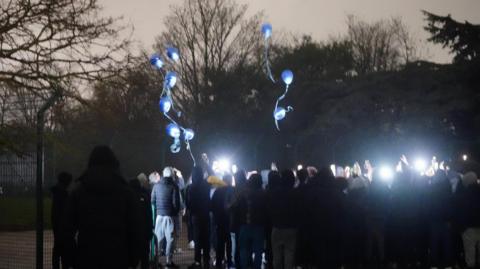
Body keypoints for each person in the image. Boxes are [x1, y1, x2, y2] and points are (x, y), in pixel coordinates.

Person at [62, 145, 142, 269]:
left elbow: (66, 231)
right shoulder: (126, 193)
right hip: (118, 257)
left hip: (86, 257)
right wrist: (132, 259)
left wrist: (72, 259)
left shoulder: (78, 193)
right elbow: (135, 229)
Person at [233, 173, 267, 269]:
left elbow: (235, 206)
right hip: (259, 225)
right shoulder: (263, 193)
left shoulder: (243, 193)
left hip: (244, 224)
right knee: (258, 250)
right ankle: (256, 266)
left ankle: (245, 266)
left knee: (244, 249)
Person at [151, 167, 181, 268]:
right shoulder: (174, 186)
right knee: (170, 240)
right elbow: (176, 204)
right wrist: (175, 213)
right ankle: (169, 262)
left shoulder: (156, 185)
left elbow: (152, 200)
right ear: (172, 174)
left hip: (159, 216)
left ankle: (156, 261)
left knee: (158, 240)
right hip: (169, 216)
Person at [268, 170, 298, 269]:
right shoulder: (295, 193)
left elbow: (270, 208)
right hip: (291, 227)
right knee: (289, 253)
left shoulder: (275, 192)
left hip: (277, 226)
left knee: (277, 255)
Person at [187, 166, 212, 269]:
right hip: (206, 214)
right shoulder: (207, 185)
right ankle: (206, 261)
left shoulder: (191, 187)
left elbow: (188, 203)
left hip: (195, 216)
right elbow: (211, 176)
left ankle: (197, 262)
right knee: (206, 238)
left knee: (197, 239)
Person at [129, 174, 154, 269]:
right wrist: (150, 230)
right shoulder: (145, 196)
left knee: (132, 258)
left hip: (132, 234)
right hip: (144, 232)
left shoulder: (127, 198)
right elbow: (149, 215)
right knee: (144, 258)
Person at [457, 171, 480, 268]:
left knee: (470, 254)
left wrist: (461, 227)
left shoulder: (464, 194)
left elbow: (462, 212)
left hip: (468, 228)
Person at [211, 174, 234, 268]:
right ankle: (229, 262)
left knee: (220, 243)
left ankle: (219, 263)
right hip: (230, 221)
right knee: (229, 243)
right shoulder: (233, 190)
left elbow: (212, 205)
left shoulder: (217, 191)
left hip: (219, 221)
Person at [51, 171, 73, 269]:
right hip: (63, 228)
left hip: (57, 226)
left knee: (57, 251)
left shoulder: (57, 194)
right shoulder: (64, 195)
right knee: (64, 253)